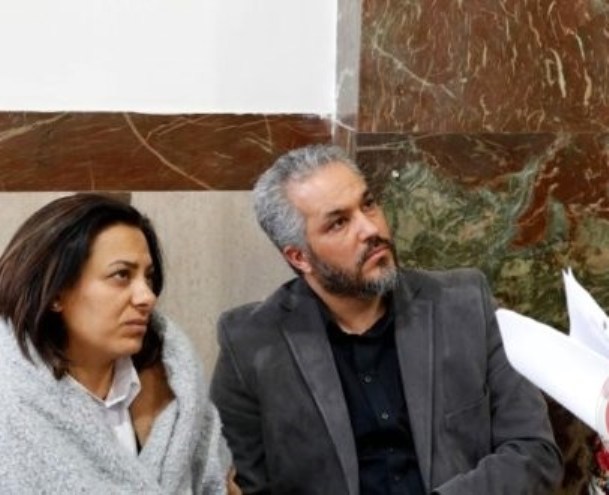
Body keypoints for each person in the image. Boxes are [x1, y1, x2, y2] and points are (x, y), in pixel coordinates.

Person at [210, 145, 564, 494]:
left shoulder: (466, 305)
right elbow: (249, 485)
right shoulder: (251, 345)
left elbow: (534, 452)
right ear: (299, 257)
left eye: (368, 204)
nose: (370, 228)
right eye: (339, 223)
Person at [0, 193, 234, 494]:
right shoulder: (12, 406)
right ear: (55, 292)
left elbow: (218, 482)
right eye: (121, 275)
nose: (147, 297)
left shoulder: (177, 391)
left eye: (148, 277)